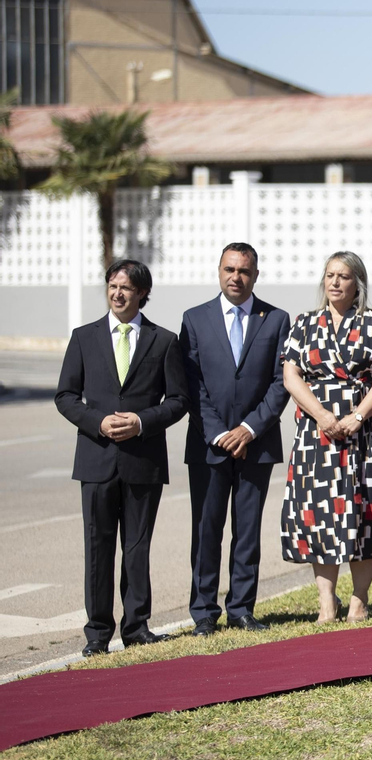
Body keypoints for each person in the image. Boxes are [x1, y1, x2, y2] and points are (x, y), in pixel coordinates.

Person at [55, 259, 188, 656]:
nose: (117, 293)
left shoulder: (163, 341)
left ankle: (136, 626)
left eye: (126, 288)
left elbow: (179, 401)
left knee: (136, 546)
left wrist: (141, 421)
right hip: (96, 460)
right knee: (97, 547)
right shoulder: (84, 337)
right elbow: (65, 396)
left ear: (142, 293)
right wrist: (98, 422)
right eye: (112, 285)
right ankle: (97, 633)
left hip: (142, 461)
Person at [280, 252, 372, 622]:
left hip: (369, 432)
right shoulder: (304, 323)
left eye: (344, 276)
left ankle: (359, 599)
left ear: (357, 283)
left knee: (367, 511)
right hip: (318, 435)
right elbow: (291, 376)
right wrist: (322, 416)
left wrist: (358, 415)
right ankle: (326, 603)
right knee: (320, 514)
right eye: (330, 275)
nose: (335, 282)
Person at [178, 243, 291, 635]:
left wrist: (249, 429)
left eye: (244, 271)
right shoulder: (195, 319)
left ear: (255, 275)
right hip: (208, 446)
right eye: (229, 269)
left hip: (255, 445)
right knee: (206, 529)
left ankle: (241, 607)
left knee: (247, 530)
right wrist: (220, 433)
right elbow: (191, 385)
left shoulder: (276, 320)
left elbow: (281, 383)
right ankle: (204, 611)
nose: (235, 277)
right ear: (219, 271)